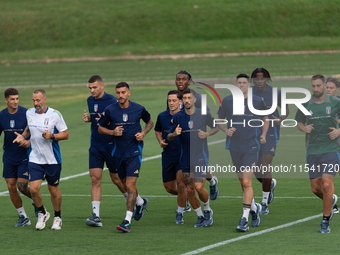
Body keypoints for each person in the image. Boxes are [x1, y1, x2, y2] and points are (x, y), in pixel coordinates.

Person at [98, 82, 153, 233]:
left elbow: (149, 122)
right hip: (118, 153)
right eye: (118, 93)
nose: (120, 95)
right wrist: (112, 132)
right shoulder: (110, 110)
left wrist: (143, 134)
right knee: (123, 183)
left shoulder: (138, 109)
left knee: (129, 186)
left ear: (129, 93)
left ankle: (127, 221)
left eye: (123, 92)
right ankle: (140, 202)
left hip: (134, 152)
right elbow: (100, 128)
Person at [218, 74, 269, 232]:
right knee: (242, 183)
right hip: (234, 146)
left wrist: (263, 135)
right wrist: (226, 129)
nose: (241, 85)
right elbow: (219, 119)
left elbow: (266, 118)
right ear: (235, 84)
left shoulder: (257, 100)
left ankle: (244, 219)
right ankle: (255, 209)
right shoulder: (227, 101)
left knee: (247, 183)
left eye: (244, 83)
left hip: (251, 146)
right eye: (238, 83)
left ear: (249, 84)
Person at [13, 89, 69, 230]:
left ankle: (57, 217)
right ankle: (42, 213)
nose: (35, 103)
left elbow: (66, 134)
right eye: (33, 100)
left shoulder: (55, 115)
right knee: (34, 189)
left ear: (44, 99)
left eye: (38, 100)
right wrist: (22, 136)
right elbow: (29, 127)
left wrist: (52, 136)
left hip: (52, 160)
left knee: (53, 190)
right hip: (35, 158)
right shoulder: (29, 112)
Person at [168, 88, 219, 227]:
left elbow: (217, 127)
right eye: (184, 98)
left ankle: (208, 210)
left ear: (195, 100)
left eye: (189, 98)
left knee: (198, 186)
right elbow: (169, 136)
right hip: (185, 159)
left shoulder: (203, 114)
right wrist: (174, 134)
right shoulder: (178, 117)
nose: (186, 101)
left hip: (200, 158)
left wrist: (207, 134)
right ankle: (200, 216)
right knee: (189, 189)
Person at [295, 74, 339, 233]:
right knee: (315, 188)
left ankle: (325, 220)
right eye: (313, 86)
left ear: (324, 86)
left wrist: (339, 130)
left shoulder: (335, 102)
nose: (316, 89)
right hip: (312, 150)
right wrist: (304, 128)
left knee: (327, 184)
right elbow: (299, 122)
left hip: (331, 148)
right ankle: (331, 198)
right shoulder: (305, 104)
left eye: (319, 86)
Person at [82, 75, 127, 227]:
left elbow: (118, 121)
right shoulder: (90, 100)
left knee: (116, 180)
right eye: (90, 88)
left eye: (94, 87)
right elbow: (96, 121)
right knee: (95, 179)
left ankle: (134, 200)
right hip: (95, 145)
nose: (92, 90)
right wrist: (89, 119)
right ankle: (96, 216)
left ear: (102, 86)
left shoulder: (112, 101)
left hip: (111, 145)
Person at [174, 70, 219, 200]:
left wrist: (206, 133)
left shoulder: (197, 97)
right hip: (181, 139)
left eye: (183, 79)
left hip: (197, 141)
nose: (180, 82)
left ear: (189, 82)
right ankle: (186, 200)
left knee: (198, 175)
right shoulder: (175, 97)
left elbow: (208, 116)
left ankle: (211, 181)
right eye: (178, 79)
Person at [250, 68, 289, 215]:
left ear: (267, 79)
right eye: (256, 79)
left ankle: (264, 202)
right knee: (256, 169)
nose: (259, 81)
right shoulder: (249, 92)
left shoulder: (276, 92)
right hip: (252, 133)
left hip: (270, 133)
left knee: (265, 165)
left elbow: (285, 109)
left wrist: (280, 119)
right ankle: (270, 184)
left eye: (262, 78)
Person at [0, 88, 37, 227]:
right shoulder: (1, 115)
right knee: (10, 187)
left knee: (22, 186)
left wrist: (28, 142)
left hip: (24, 156)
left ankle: (36, 201)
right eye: (12, 99)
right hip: (9, 157)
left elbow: (35, 132)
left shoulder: (27, 113)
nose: (15, 101)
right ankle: (23, 217)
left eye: (17, 98)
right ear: (6, 100)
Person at [155, 90, 190, 223]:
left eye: (174, 100)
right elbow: (157, 130)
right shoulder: (162, 116)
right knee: (169, 187)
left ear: (180, 102)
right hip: (168, 155)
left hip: (182, 154)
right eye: (169, 100)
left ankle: (180, 213)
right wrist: (160, 141)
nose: (171, 103)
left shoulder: (185, 116)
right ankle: (185, 196)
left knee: (181, 185)